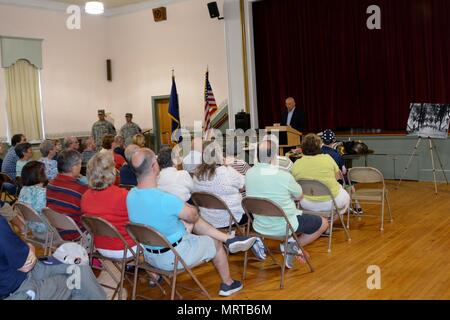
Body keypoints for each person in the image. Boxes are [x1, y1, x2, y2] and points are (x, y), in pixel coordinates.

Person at [127, 148, 257, 296]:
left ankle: (230, 238)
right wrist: (189, 210)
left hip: (149, 256)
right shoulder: (166, 199)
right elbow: (194, 216)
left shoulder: (130, 196)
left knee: (188, 220)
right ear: (154, 166)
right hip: (173, 256)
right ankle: (228, 283)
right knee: (214, 242)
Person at [245, 140, 328, 268]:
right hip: (284, 226)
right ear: (275, 155)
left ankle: (290, 244)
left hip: (260, 225)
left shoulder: (249, 174)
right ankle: (292, 245)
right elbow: (300, 196)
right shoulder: (283, 175)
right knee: (323, 223)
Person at [0, 216, 106, 300]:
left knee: (77, 258)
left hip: (25, 271)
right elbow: (26, 264)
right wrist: (30, 247)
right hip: (19, 289)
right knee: (78, 278)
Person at [81, 152, 137, 300]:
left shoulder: (85, 197)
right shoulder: (123, 195)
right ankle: (155, 274)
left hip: (101, 247)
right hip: (125, 249)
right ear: (113, 171)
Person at [291, 133, 351, 220]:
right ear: (320, 146)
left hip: (307, 203)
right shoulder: (327, 158)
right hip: (330, 202)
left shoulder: (297, 163)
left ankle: (321, 222)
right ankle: (329, 223)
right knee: (346, 195)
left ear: (302, 147)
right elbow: (338, 177)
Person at [46, 150, 88, 240]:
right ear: (73, 168)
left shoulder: (50, 184)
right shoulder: (81, 189)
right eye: (80, 164)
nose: (81, 167)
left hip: (57, 231)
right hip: (77, 234)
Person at [18, 161, 49, 237]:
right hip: (47, 230)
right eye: (45, 170)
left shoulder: (23, 189)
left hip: (32, 228)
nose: (47, 171)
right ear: (40, 175)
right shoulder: (43, 193)